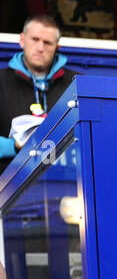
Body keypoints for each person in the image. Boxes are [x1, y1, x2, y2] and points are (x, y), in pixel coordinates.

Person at [1, 15, 75, 170]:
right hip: (8, 187)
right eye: (35, 39)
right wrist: (14, 146)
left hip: (67, 185)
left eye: (47, 43)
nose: (40, 48)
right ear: (22, 40)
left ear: (57, 48)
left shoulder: (76, 83)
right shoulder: (1, 81)